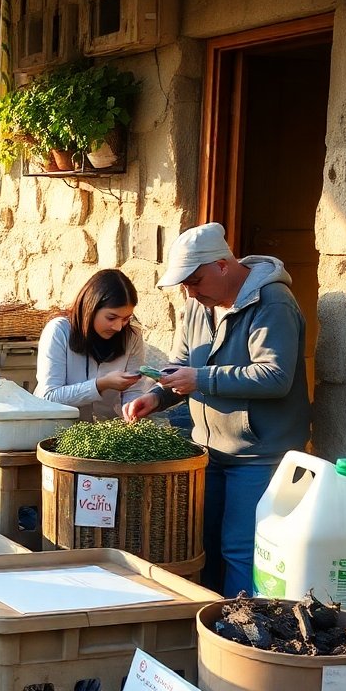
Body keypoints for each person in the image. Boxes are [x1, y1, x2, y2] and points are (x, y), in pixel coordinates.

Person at [122, 222, 311, 597]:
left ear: (223, 265)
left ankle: (240, 627)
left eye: (195, 282)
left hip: (259, 454)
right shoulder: (197, 305)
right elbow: (181, 366)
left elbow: (275, 377)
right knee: (201, 546)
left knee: (240, 551)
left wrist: (201, 379)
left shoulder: (273, 302)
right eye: (185, 286)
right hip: (208, 451)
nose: (190, 293)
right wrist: (157, 397)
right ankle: (204, 620)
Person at [34, 269, 145, 421]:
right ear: (91, 307)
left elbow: (134, 390)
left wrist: (132, 409)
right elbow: (48, 396)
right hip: (57, 428)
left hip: (108, 430)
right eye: (111, 318)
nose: (118, 327)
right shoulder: (59, 331)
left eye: (126, 319)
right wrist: (100, 385)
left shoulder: (132, 337)